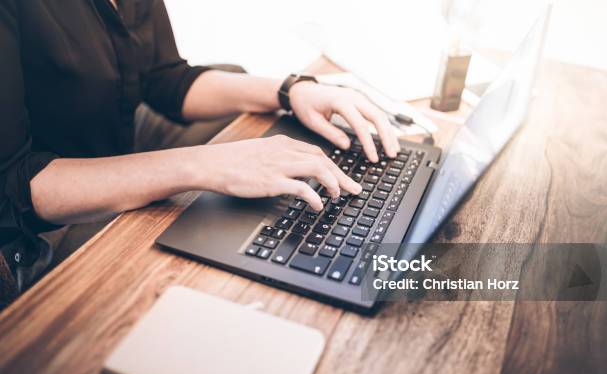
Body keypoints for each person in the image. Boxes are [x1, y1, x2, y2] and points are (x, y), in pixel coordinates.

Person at [0, 0, 398, 304]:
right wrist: (205, 164)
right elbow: (16, 187)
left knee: (240, 84)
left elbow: (161, 77)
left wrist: (293, 90)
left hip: (108, 136)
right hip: (38, 220)